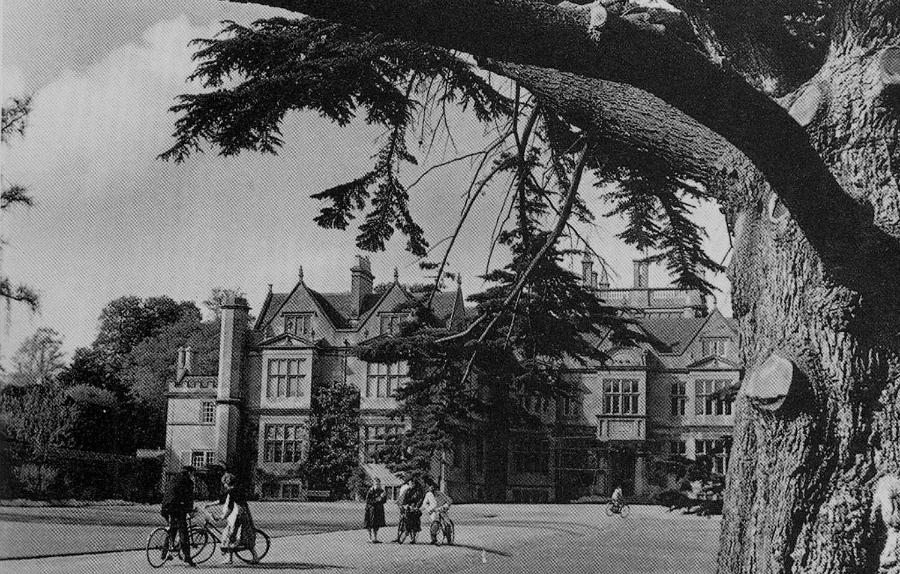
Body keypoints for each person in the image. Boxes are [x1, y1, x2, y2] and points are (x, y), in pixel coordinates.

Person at [160, 466, 197, 568]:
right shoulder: (188, 482)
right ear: (189, 472)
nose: (193, 476)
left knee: (172, 529)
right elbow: (189, 498)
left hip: (165, 507)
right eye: (193, 473)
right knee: (183, 532)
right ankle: (187, 557)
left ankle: (164, 553)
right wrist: (190, 510)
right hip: (177, 508)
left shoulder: (173, 478)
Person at [218, 472, 258, 564]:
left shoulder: (231, 491)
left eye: (224, 483)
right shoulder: (239, 489)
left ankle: (230, 558)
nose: (224, 485)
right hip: (244, 511)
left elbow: (230, 508)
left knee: (232, 534)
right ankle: (253, 556)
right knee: (242, 534)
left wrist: (224, 516)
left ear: (226, 483)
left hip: (238, 513)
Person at [394, 477, 421, 543]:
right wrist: (404, 505)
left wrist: (416, 506)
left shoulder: (417, 491)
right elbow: (402, 499)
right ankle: (402, 534)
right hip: (406, 507)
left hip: (414, 507)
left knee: (415, 520)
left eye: (413, 483)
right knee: (405, 519)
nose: (411, 484)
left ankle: (413, 538)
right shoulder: (406, 490)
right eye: (410, 483)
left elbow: (419, 500)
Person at [364, 478, 388, 543]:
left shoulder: (381, 491)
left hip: (378, 509)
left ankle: (375, 538)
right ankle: (370, 538)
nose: (377, 484)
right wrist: (377, 499)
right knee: (369, 524)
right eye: (376, 483)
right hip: (370, 509)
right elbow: (368, 500)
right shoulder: (370, 491)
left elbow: (384, 500)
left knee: (376, 524)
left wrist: (382, 498)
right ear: (373, 484)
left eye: (378, 483)